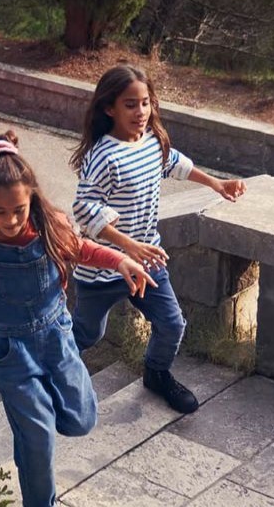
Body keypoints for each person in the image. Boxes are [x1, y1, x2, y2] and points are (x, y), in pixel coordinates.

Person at [0, 131, 155, 507]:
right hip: (8, 349)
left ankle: (31, 429)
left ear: (32, 199)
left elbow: (81, 248)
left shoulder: (50, 223)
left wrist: (120, 259)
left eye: (18, 210)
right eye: (0, 211)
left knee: (81, 419)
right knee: (39, 434)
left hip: (56, 336)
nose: (10, 220)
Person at [70, 65, 247, 414]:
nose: (140, 112)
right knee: (87, 335)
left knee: (171, 323)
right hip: (103, 271)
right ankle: (49, 368)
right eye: (130, 105)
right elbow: (84, 211)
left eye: (145, 103)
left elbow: (175, 163)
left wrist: (217, 183)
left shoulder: (153, 141)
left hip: (147, 262)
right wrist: (126, 245)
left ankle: (156, 373)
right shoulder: (103, 156)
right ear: (110, 109)